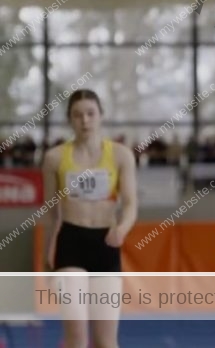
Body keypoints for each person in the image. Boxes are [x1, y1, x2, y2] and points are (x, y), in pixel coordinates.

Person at [42, 89, 138, 348]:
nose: (84, 120)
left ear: (100, 116)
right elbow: (50, 214)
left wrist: (123, 229)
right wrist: (45, 256)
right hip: (70, 243)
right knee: (76, 339)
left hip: (106, 244)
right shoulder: (54, 158)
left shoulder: (121, 155)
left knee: (105, 342)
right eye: (77, 115)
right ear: (70, 120)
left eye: (90, 114)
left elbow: (130, 204)